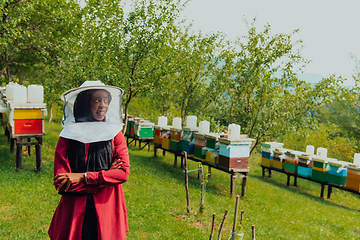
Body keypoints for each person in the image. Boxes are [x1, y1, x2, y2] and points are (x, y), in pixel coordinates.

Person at [48, 81, 129, 240]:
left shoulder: (115, 134)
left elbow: (123, 173)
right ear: (85, 103)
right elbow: (62, 184)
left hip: (107, 209)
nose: (103, 105)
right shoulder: (67, 136)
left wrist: (81, 176)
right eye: (97, 100)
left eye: (106, 100)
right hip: (75, 212)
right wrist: (104, 179)